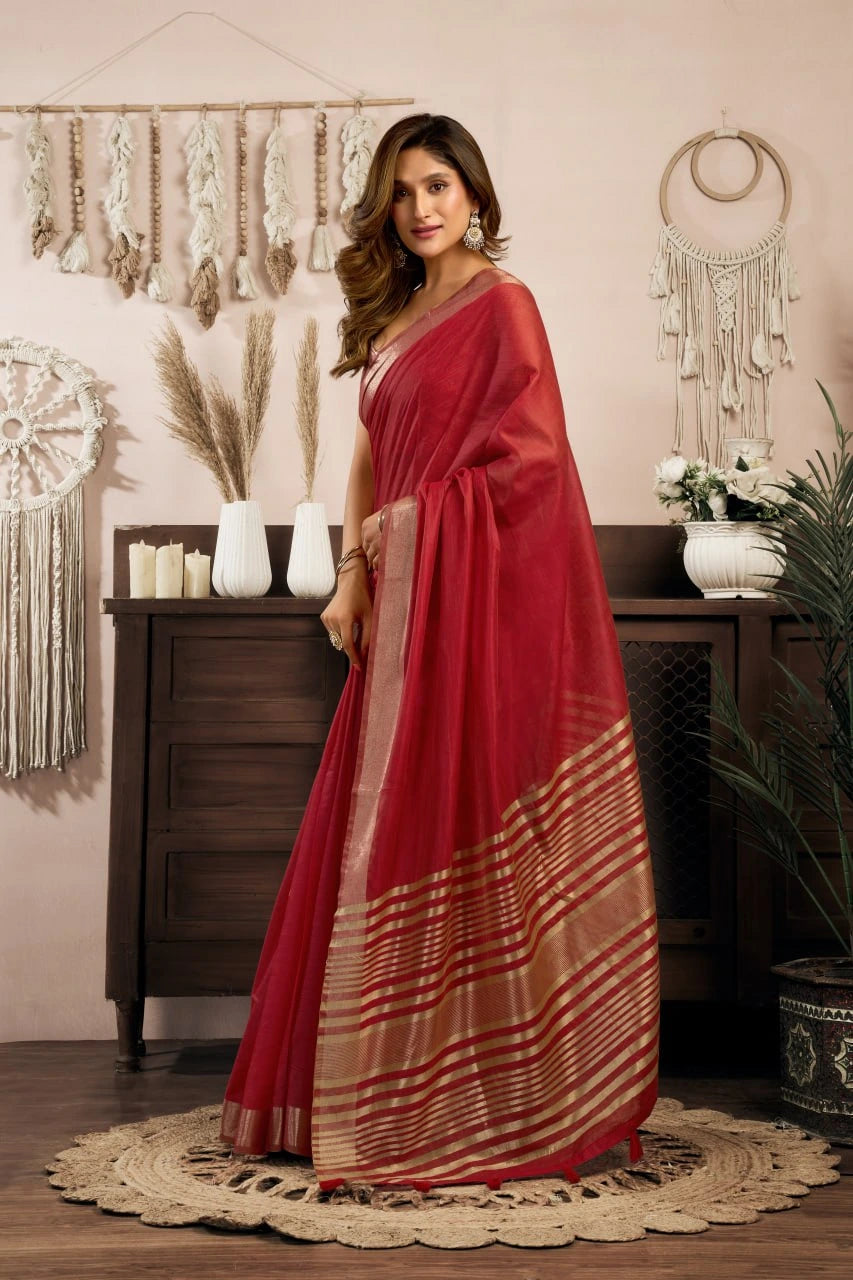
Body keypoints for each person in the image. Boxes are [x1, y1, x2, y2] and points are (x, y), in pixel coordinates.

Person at [220, 113, 660, 1191]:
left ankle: (491, 1095)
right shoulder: (392, 318)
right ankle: (362, 1090)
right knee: (376, 828)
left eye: (439, 185)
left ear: (474, 193)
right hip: (404, 606)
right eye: (403, 192)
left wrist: (412, 539)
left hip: (472, 610)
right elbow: (370, 453)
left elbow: (533, 462)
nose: (422, 208)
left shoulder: (503, 306)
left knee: (454, 815)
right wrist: (358, 570)